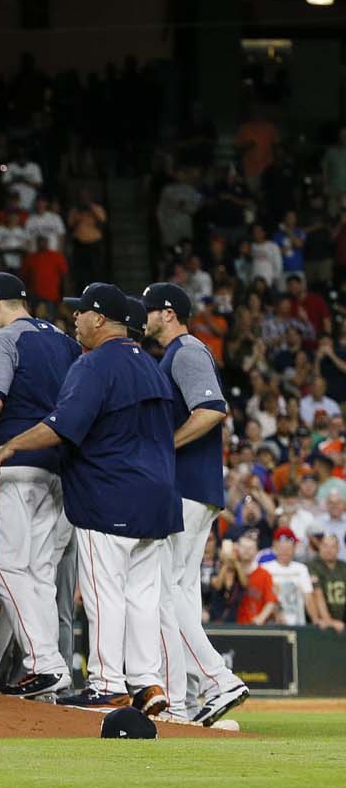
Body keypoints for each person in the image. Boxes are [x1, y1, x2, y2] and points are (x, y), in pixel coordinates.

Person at [0, 283, 179, 717]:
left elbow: (62, 425)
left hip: (110, 494)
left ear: (98, 319)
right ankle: (147, 682)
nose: (74, 318)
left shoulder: (94, 364)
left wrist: (12, 445)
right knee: (142, 596)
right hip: (157, 497)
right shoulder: (151, 366)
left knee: (103, 592)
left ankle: (108, 684)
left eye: (80, 313)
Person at [141, 281, 250, 725]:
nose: (143, 317)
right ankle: (188, 698)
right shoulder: (178, 353)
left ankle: (217, 680)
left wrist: (166, 445)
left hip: (187, 487)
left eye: (149, 310)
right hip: (194, 488)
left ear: (168, 313)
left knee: (166, 592)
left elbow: (211, 409)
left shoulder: (186, 351)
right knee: (179, 592)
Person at [0, 272, 80, 698]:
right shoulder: (65, 342)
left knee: (2, 568)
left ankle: (45, 664)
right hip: (58, 471)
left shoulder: (2, 340)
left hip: (13, 465)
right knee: (34, 576)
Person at [308, 533, 346, 632]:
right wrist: (329, 620)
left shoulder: (343, 567)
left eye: (333, 546)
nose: (329, 550)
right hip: (322, 624)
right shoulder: (312, 566)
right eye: (325, 546)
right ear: (319, 547)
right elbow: (317, 593)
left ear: (338, 549)